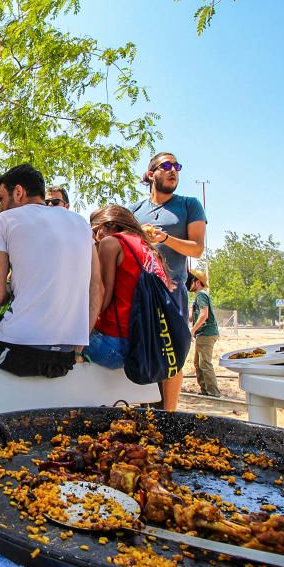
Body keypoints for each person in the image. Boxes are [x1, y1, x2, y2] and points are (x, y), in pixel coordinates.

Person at [0, 164, 102, 377]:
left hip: (20, 344)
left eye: (1, 198)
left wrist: (8, 292)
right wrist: (79, 343)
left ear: (18, 192)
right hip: (66, 350)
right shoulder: (81, 223)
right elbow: (97, 287)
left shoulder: (5, 220)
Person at [128, 152, 205, 407]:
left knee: (173, 357)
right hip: (139, 294)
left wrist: (165, 239)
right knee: (141, 349)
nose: (174, 170)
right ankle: (141, 411)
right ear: (151, 174)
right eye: (166, 166)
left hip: (172, 293)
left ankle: (168, 417)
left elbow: (196, 248)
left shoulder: (189, 205)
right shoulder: (134, 211)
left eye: (177, 166)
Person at [87, 205, 182, 410]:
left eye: (95, 230)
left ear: (109, 223)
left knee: (57, 345)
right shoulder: (151, 251)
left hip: (113, 349)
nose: (95, 237)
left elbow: (101, 299)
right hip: (147, 350)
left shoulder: (111, 243)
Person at [188, 269, 221, 397]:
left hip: (206, 333)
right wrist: (191, 307)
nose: (189, 284)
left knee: (204, 364)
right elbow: (191, 318)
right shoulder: (198, 297)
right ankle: (205, 390)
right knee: (198, 363)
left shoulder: (201, 294)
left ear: (197, 282)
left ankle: (213, 393)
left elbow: (204, 315)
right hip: (203, 334)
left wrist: (193, 330)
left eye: (191, 281)